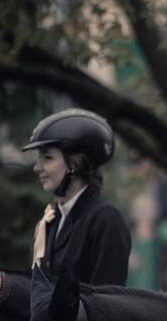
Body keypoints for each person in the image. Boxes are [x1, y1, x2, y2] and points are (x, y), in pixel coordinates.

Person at [22, 109, 130, 286]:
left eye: (47, 158)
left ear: (76, 162)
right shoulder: (53, 220)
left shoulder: (105, 219)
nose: (37, 167)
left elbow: (108, 303)